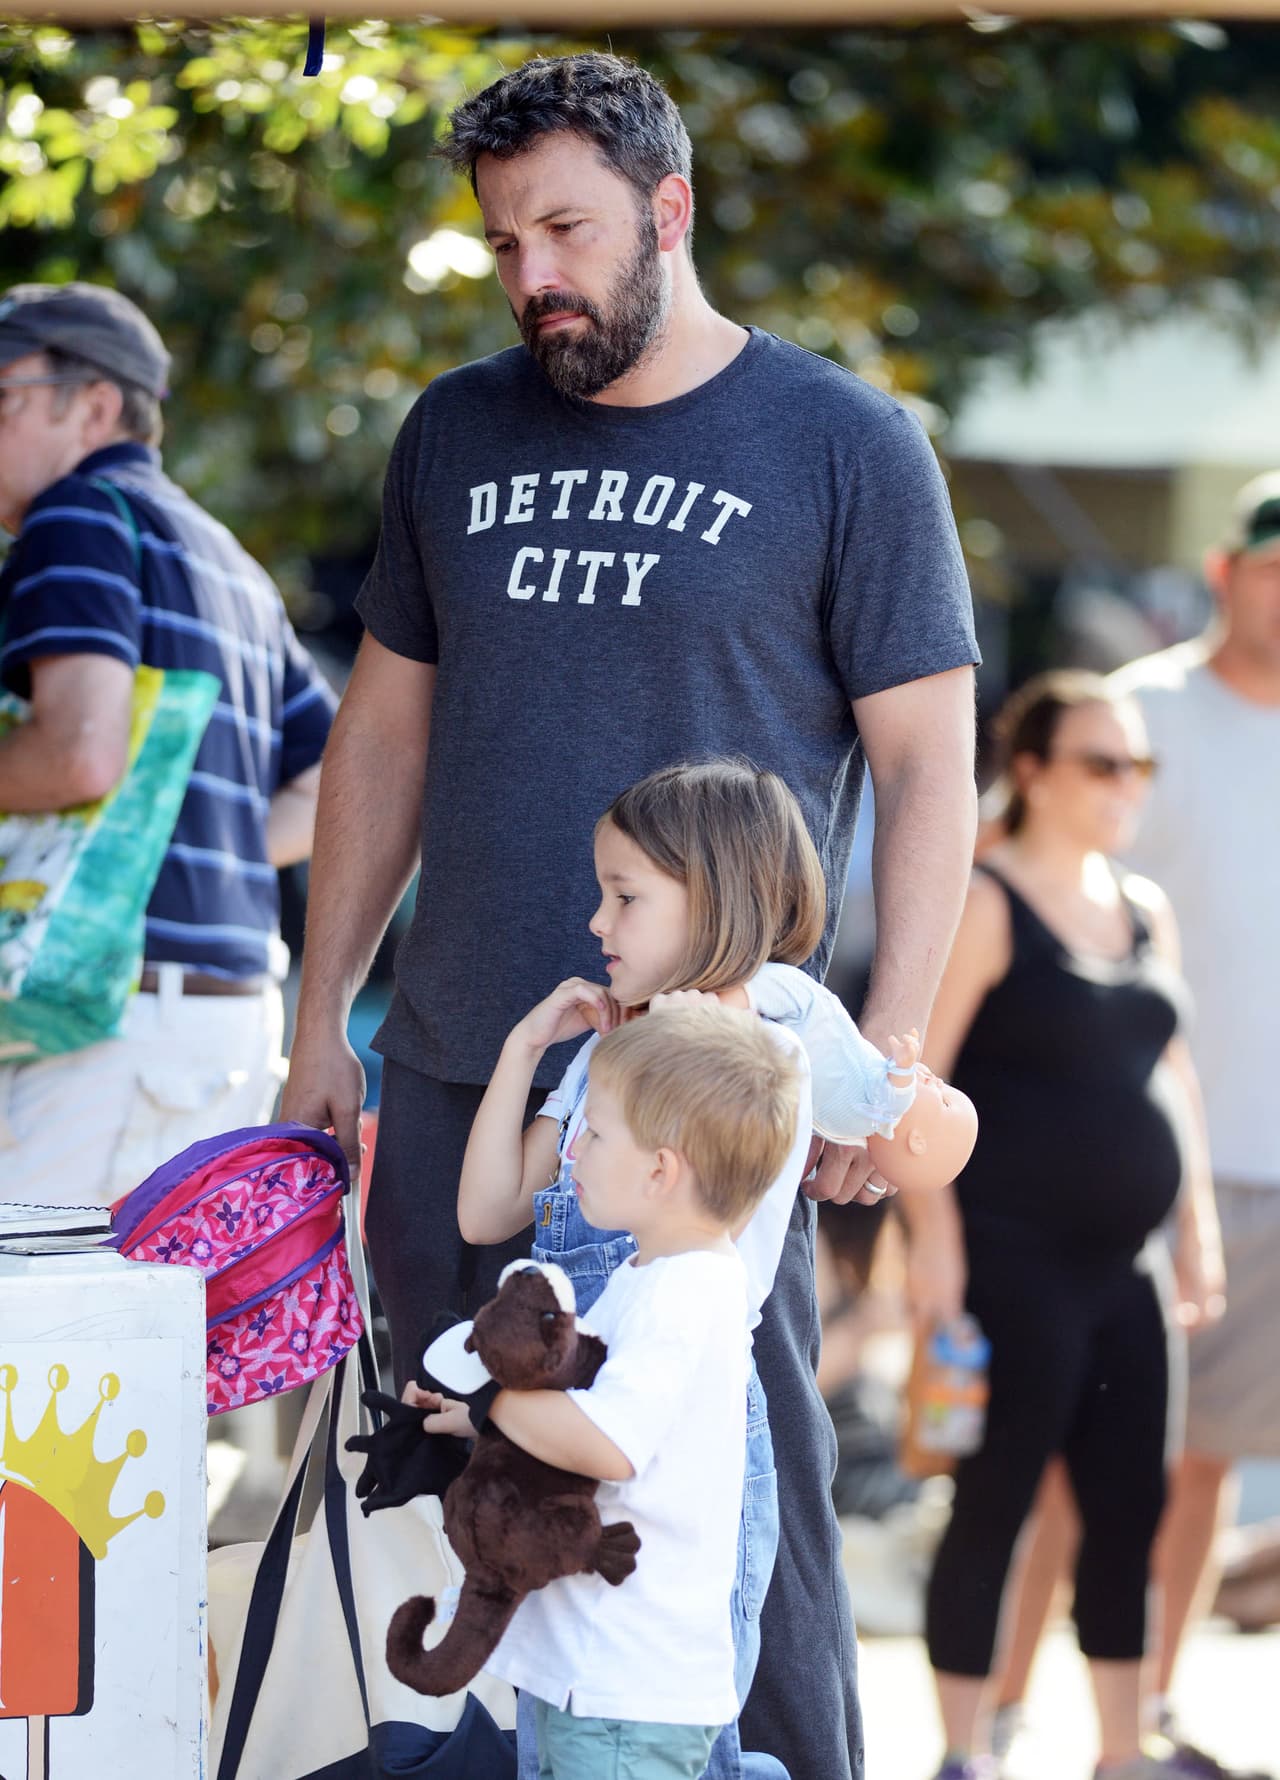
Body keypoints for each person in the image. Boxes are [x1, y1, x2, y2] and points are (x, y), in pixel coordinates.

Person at [282, 51, 979, 1779]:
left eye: (568, 228)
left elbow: (931, 767)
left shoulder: (846, 446)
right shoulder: (454, 428)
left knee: (732, 1505)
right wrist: (321, 1024)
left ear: (670, 212)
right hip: (470, 1077)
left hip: (701, 1112)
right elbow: (383, 733)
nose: (535, 275)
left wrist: (882, 1054)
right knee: (472, 1487)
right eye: (506, 239)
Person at [453, 757, 921, 1780]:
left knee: (679, 1698)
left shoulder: (784, 1019)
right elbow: (491, 1206)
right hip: (575, 1408)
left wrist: (896, 1127)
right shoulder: (603, 1055)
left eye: (624, 896)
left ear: (713, 897)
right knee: (573, 1684)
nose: (596, 921)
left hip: (686, 1415)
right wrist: (525, 1048)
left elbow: (906, 1121)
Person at [988, 477, 1280, 1779]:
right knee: (1056, 1466)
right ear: (1228, 572)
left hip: (1256, 1162)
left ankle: (1142, 1720)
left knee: (1197, 1464)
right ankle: (996, 1712)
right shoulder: (1141, 716)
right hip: (1100, 1165)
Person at [898, 670, 1223, 1780]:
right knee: (993, 1503)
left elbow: (1167, 1071)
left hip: (1126, 1266)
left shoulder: (1144, 906)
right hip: (1010, 1260)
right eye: (1099, 761)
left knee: (1130, 1503)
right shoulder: (985, 901)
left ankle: (1120, 1752)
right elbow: (915, 1084)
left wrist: (1197, 1230)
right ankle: (960, 1750)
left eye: (1136, 763)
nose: (1123, 784)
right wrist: (932, 1247)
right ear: (1028, 769)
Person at [0, 283, 335, 1204]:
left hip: (95, 1026)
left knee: (32, 1339)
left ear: (95, 402)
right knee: (152, 1346)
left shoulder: (79, 516)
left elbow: (78, 752)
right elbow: (337, 782)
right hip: (223, 1037)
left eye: (2, 397)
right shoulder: (231, 564)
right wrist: (205, 854)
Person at [418, 1001, 805, 1780]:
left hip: (626, 1692)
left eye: (591, 1134)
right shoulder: (647, 1274)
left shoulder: (687, 1293)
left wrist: (495, 1400)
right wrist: (475, 1421)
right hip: (590, 1680)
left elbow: (613, 1445)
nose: (573, 1154)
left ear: (662, 1170)